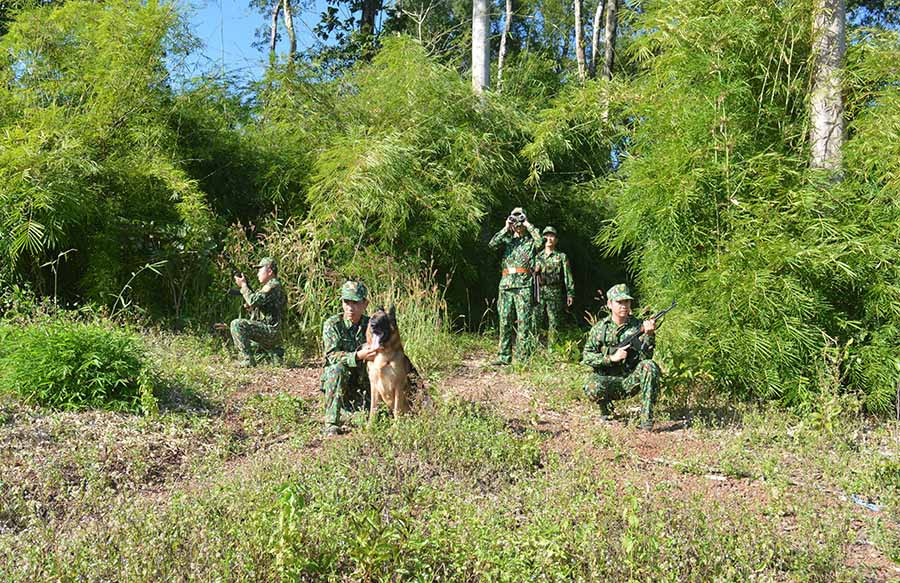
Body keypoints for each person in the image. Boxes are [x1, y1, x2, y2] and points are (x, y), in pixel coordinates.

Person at [581, 283, 660, 430]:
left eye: (627, 302)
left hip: (630, 380)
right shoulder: (600, 329)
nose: (624, 305)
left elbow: (646, 356)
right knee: (592, 386)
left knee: (650, 366)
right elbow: (586, 357)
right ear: (609, 304)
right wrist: (611, 358)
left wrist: (649, 335)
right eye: (619, 302)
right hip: (608, 381)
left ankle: (646, 419)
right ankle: (606, 410)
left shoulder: (638, 326)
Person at [320, 281, 381, 436]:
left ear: (365, 304)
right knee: (336, 369)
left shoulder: (372, 325)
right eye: (346, 302)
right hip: (342, 383)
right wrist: (357, 356)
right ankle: (332, 422)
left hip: (365, 384)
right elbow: (331, 356)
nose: (350, 307)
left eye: (355, 303)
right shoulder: (333, 324)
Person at [489, 207, 542, 365]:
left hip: (523, 286)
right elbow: (492, 244)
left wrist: (528, 224)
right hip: (506, 285)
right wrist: (506, 227)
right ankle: (504, 356)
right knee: (504, 321)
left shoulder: (530, 241)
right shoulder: (507, 240)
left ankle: (523, 357)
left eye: (520, 218)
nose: (517, 222)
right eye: (515, 218)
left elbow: (540, 242)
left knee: (524, 322)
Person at [230, 257, 287, 367]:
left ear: (269, 271)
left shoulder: (273, 285)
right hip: (274, 332)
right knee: (253, 347)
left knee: (236, 325)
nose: (257, 274)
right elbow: (258, 303)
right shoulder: (273, 286)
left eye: (260, 270)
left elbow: (253, 300)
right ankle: (274, 354)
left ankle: (247, 360)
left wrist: (243, 285)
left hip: (271, 331)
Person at [534, 226, 574, 345]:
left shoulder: (561, 256)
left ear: (556, 240)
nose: (549, 238)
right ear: (543, 238)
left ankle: (552, 349)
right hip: (539, 291)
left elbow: (568, 276)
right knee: (536, 320)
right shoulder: (537, 257)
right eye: (546, 236)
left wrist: (570, 293)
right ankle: (534, 347)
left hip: (554, 290)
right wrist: (535, 271)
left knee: (554, 321)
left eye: (552, 236)